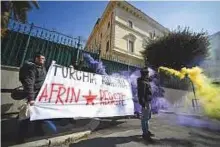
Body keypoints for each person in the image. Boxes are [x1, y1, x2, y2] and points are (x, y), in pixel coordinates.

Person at [17, 52, 47, 143]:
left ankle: (38, 130)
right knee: (27, 115)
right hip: (33, 94)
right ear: (36, 59)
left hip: (39, 94)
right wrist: (31, 98)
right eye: (41, 59)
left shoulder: (41, 67)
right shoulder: (32, 67)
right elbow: (29, 83)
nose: (43, 60)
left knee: (39, 113)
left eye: (43, 59)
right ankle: (21, 136)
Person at [137, 67, 154, 142]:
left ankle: (146, 131)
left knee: (148, 117)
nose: (148, 75)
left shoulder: (145, 81)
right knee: (144, 119)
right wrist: (143, 104)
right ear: (145, 74)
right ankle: (145, 133)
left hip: (148, 102)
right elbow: (141, 94)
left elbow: (150, 80)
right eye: (147, 73)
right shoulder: (143, 83)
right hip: (145, 103)